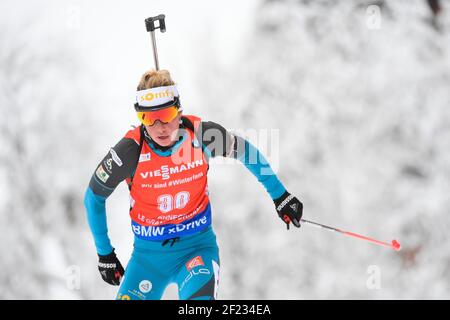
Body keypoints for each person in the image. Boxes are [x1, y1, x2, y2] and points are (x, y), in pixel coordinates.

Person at [84, 69, 303, 300]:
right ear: (140, 118)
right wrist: (105, 254)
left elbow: (245, 151)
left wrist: (281, 196)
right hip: (147, 260)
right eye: (149, 118)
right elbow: (94, 197)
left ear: (179, 111)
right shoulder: (129, 151)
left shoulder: (201, 135)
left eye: (167, 114)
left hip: (196, 251)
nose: (161, 126)